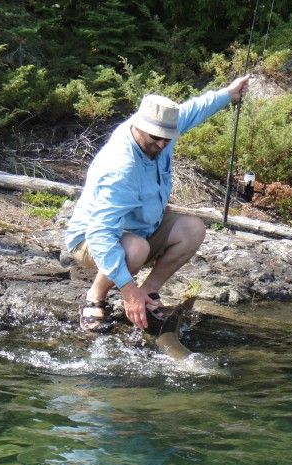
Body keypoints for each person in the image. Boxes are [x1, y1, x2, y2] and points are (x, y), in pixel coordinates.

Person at [65, 75, 251, 332]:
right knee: (136, 248)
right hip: (90, 240)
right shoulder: (120, 168)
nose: (163, 144)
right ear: (138, 126)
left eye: (168, 138)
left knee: (193, 228)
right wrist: (128, 292)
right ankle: (95, 297)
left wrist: (228, 94)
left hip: (142, 229)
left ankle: (149, 293)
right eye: (157, 138)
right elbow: (100, 234)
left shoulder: (161, 129)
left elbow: (191, 110)